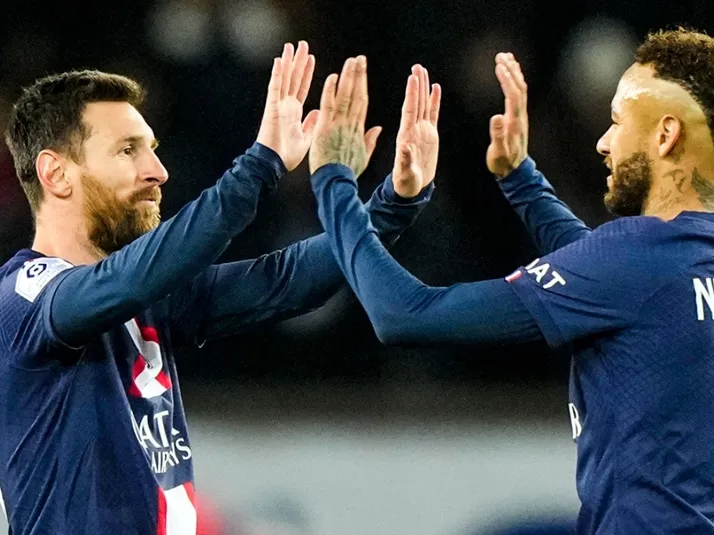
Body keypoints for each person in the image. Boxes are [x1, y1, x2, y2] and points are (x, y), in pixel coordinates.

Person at [0, 41, 435, 534]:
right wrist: (261, 163)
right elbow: (137, 275)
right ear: (56, 173)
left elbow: (285, 281)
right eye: (127, 151)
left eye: (152, 150)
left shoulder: (147, 298)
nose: (157, 172)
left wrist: (393, 204)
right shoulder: (25, 298)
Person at [308, 28, 714, 533]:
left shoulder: (637, 258)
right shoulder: (673, 261)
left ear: (666, 135)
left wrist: (334, 181)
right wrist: (521, 178)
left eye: (617, 122)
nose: (604, 142)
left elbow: (402, 313)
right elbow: (605, 274)